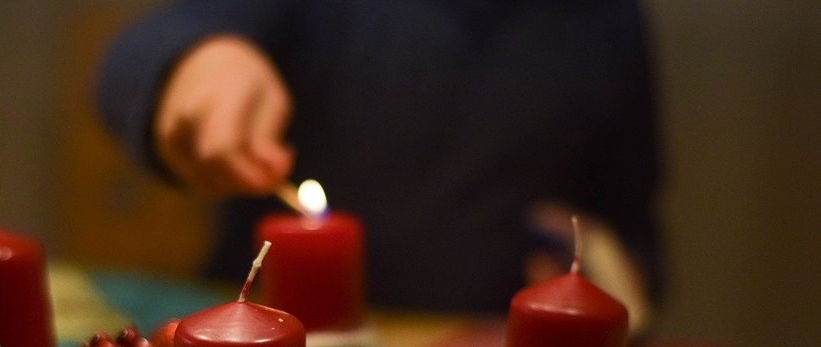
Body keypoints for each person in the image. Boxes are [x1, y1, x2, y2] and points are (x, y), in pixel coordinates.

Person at [96, 0, 661, 325]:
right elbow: (145, 50)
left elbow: (631, 223)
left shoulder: (604, 19)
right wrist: (193, 62)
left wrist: (612, 278)